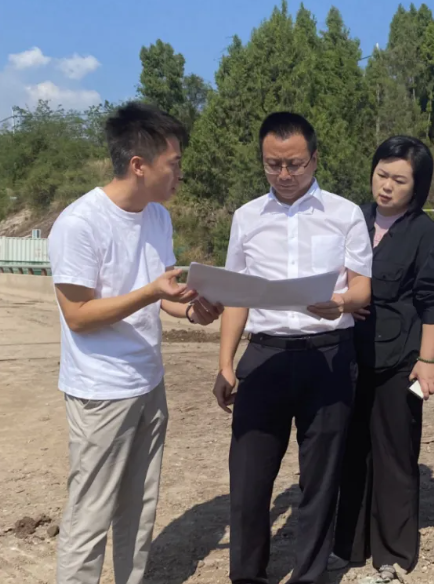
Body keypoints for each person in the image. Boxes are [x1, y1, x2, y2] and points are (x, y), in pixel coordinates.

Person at [49, 102, 223, 584]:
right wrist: (150, 292)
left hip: (149, 382)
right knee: (90, 515)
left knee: (139, 510)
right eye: (174, 164)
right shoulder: (80, 223)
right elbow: (78, 316)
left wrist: (192, 309)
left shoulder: (157, 217)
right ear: (138, 165)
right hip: (101, 391)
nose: (180, 176)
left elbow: (162, 296)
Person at [212, 112, 373, 584]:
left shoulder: (344, 214)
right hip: (265, 356)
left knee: (319, 479)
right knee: (248, 477)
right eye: (273, 164)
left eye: (295, 164)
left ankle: (309, 574)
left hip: (328, 355)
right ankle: (247, 574)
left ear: (315, 159)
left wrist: (340, 303)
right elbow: (236, 297)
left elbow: (363, 288)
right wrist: (226, 363)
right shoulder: (246, 217)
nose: (284, 175)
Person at [331, 136, 434, 581]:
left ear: (417, 186)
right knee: (349, 449)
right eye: (382, 174)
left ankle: (394, 551)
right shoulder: (353, 220)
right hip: (347, 354)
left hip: (400, 360)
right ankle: (347, 544)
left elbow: (433, 302)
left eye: (399, 180)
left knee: (395, 453)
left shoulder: (425, 235)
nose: (386, 186)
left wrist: (427, 360)